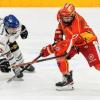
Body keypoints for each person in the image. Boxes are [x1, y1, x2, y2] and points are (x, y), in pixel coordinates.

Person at [40, 3, 100, 90]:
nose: (67, 19)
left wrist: (53, 49)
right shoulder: (61, 18)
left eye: (69, 17)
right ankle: (68, 80)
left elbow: (73, 39)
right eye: (65, 17)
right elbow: (60, 28)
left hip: (87, 42)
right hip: (75, 43)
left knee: (98, 65)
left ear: (73, 14)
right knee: (60, 56)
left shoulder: (77, 21)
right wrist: (58, 40)